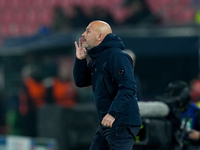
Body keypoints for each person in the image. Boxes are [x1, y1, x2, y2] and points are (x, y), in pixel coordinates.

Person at [73, 20, 142, 150]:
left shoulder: (117, 56)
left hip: (121, 122)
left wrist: (113, 113)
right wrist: (80, 60)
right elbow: (81, 82)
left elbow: (128, 88)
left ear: (100, 36)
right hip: (108, 122)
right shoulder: (98, 58)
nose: (83, 34)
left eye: (88, 31)